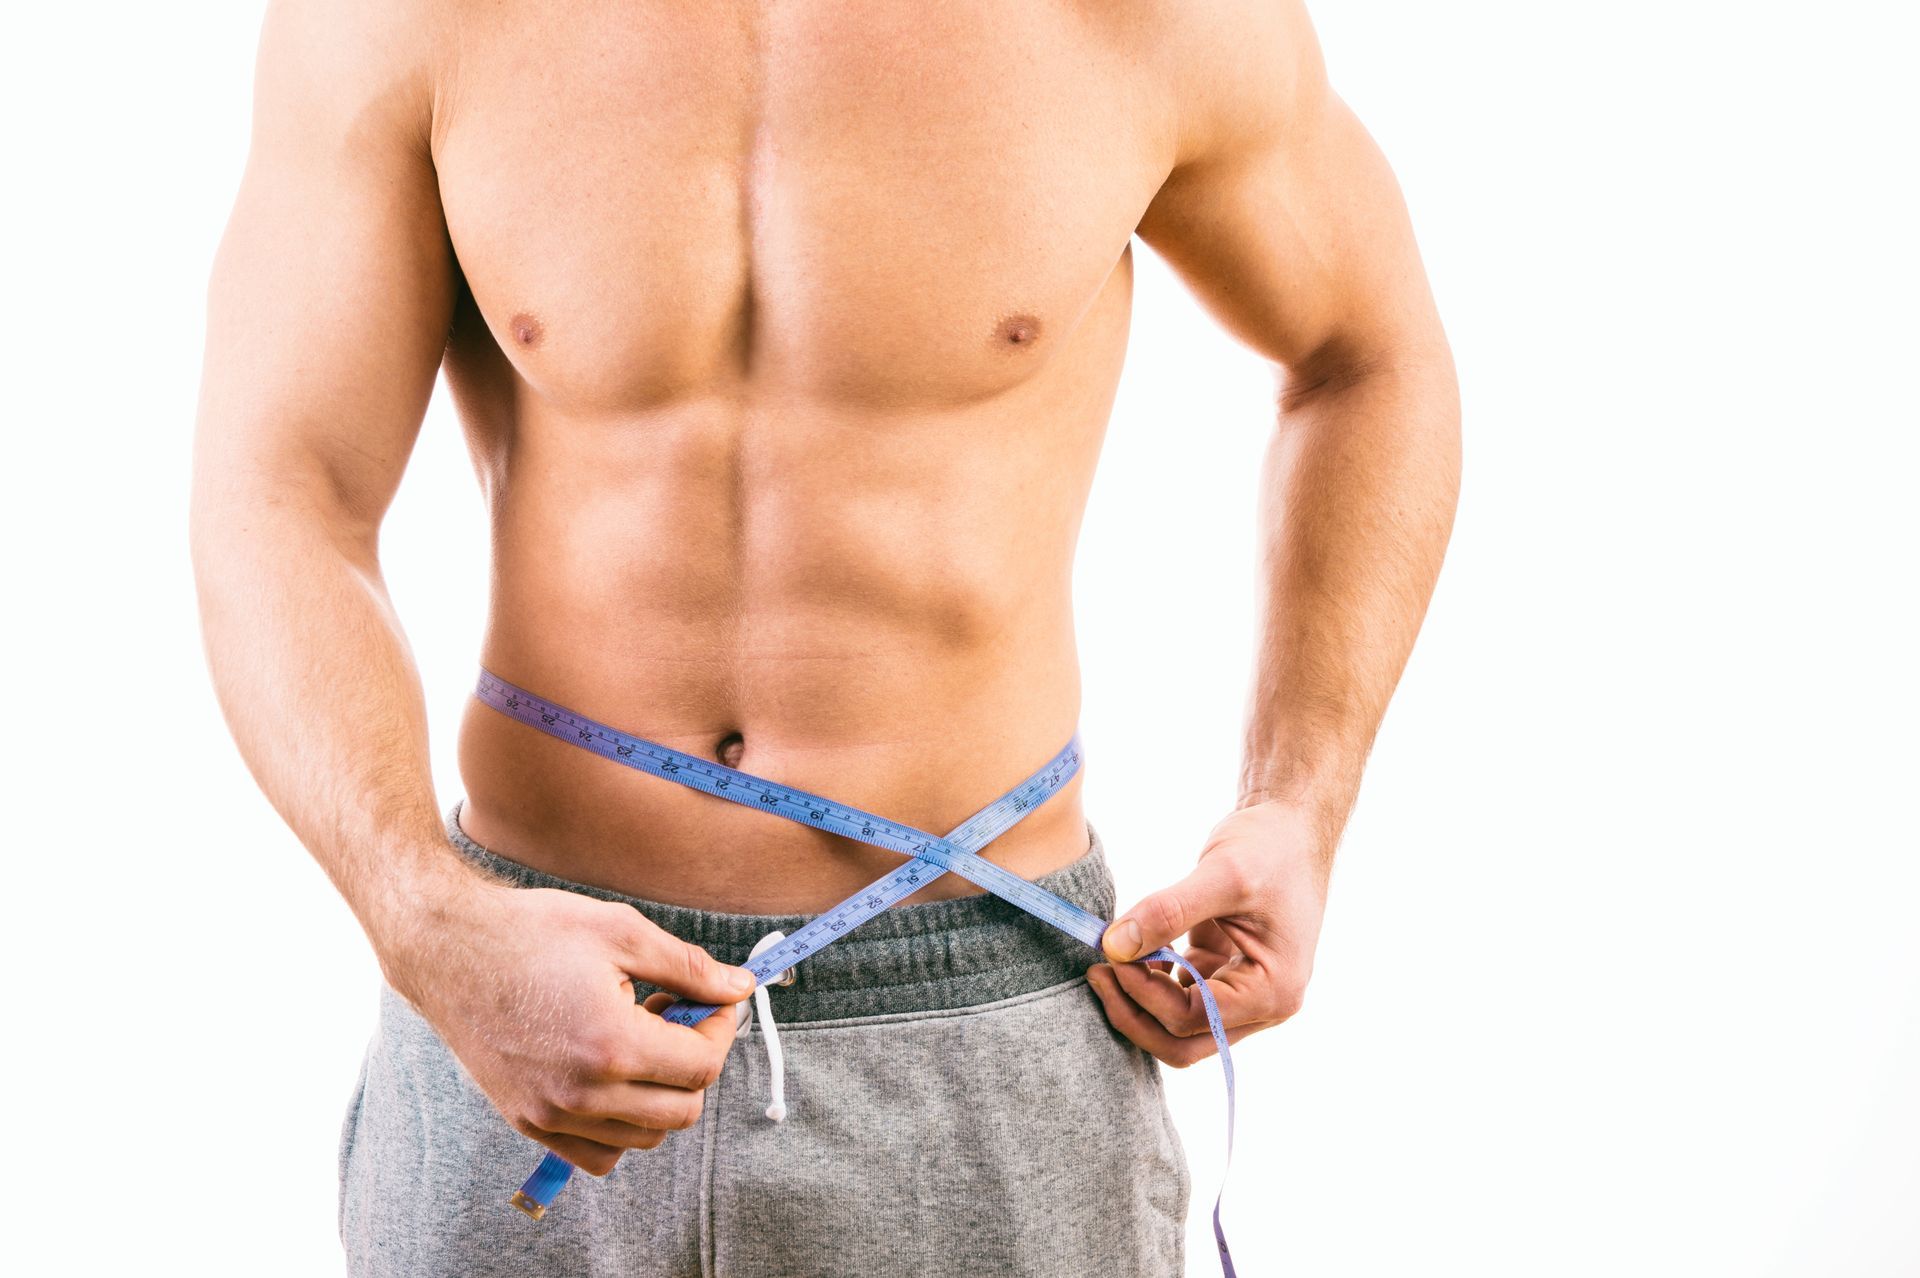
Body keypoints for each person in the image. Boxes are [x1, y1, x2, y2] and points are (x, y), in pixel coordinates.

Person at [191, 0, 1459, 1272]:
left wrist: (1299, 803)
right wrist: (428, 925)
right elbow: (281, 483)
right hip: (516, 1014)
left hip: (987, 1008)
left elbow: (1368, 352)